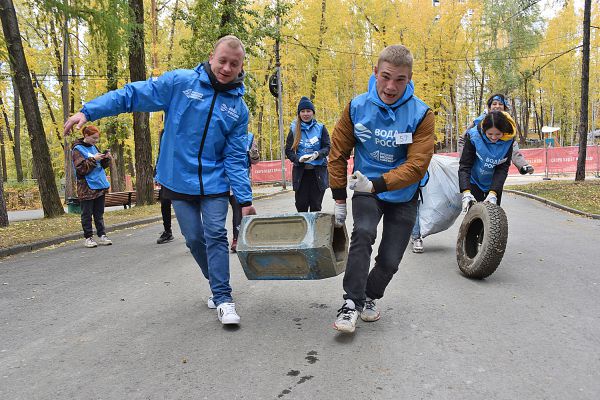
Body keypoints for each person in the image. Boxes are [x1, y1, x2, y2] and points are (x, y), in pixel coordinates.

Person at [63, 35, 255, 325]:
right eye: (223, 61)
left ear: (241, 68)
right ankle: (216, 285)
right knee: (193, 239)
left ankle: (223, 297)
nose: (227, 68)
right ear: (211, 58)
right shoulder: (181, 83)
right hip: (178, 181)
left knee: (216, 235)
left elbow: (235, 158)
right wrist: (88, 111)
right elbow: (133, 95)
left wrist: (244, 199)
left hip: (215, 183)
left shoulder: (238, 109)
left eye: (234, 64)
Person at [328, 45, 435, 334]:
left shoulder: (422, 114)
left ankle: (370, 296)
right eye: (386, 77)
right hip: (366, 190)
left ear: (409, 78)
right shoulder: (356, 107)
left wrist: (376, 183)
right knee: (363, 233)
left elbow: (417, 165)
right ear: (375, 72)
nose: (391, 86)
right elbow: (337, 153)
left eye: (400, 79)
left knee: (390, 259)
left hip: (403, 193)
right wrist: (339, 196)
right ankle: (350, 303)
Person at [461, 93, 534, 175]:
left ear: (504, 107)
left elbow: (513, 144)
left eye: (500, 104)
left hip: (498, 151)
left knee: (511, 145)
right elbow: (469, 132)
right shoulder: (483, 118)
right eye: (494, 104)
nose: (497, 106)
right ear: (489, 107)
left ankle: (523, 166)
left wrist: (523, 165)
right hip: (482, 150)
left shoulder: (508, 122)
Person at [459, 110, 516, 210]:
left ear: (504, 131)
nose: (494, 137)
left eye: (498, 134)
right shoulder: (473, 137)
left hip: (494, 183)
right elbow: (465, 165)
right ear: (484, 130)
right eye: (490, 134)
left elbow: (503, 168)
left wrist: (494, 192)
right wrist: (466, 191)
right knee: (475, 217)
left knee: (494, 217)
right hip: (474, 181)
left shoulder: (508, 140)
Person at [285, 96, 330, 212]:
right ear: (299, 113)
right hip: (301, 173)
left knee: (316, 206)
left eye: (308, 111)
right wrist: (298, 159)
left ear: (313, 113)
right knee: (301, 206)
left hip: (318, 173)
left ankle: (315, 230)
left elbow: (327, 147)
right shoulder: (294, 129)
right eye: (303, 111)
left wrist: (317, 154)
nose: (306, 114)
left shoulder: (321, 128)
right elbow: (288, 150)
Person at [71, 125, 113, 248]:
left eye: (97, 138)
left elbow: (101, 165)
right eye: (94, 138)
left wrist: (105, 159)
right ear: (86, 135)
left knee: (99, 213)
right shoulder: (77, 149)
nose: (96, 141)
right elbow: (80, 169)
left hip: (99, 185)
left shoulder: (94, 147)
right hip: (86, 187)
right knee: (87, 214)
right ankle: (88, 237)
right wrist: (93, 159)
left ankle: (102, 235)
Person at [229, 131, 259, 252]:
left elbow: (255, 161)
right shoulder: (221, 131)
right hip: (219, 178)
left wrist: (254, 153)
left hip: (240, 179)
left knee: (238, 206)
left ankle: (237, 238)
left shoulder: (250, 137)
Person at [155, 129, 174, 244]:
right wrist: (157, 171)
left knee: (187, 203)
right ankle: (168, 231)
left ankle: (193, 232)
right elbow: (161, 153)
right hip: (166, 174)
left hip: (182, 172)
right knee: (165, 202)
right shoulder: (163, 132)